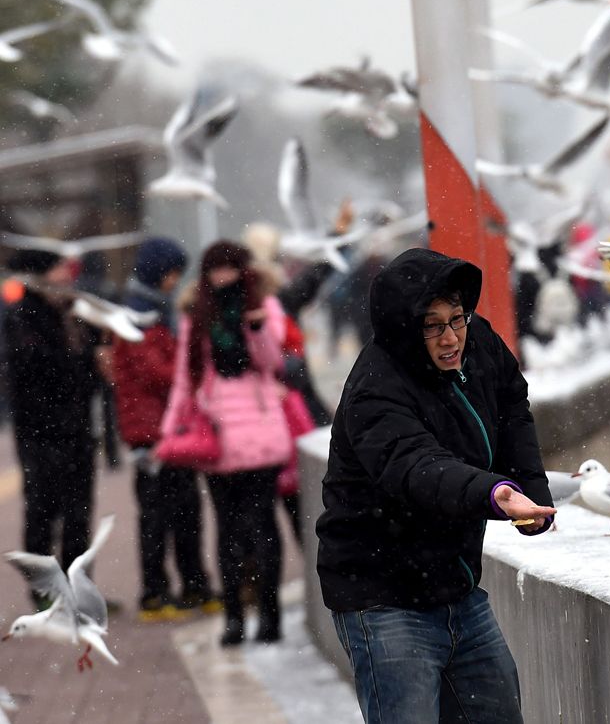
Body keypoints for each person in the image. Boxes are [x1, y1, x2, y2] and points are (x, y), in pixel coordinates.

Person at [317, 247, 557, 724]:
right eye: (432, 325)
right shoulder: (375, 389)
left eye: (457, 319)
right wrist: (495, 494)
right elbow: (419, 469)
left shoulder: (478, 344)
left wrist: (531, 488)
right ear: (406, 328)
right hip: (383, 600)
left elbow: (512, 406)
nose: (450, 338)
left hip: (457, 590)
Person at [161, 241, 293, 645]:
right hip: (217, 436)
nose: (222, 277)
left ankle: (269, 617)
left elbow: (274, 363)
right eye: (214, 269)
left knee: (263, 529)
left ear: (243, 270)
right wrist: (171, 429)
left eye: (228, 268)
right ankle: (235, 617)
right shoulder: (196, 315)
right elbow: (186, 376)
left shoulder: (264, 306)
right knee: (228, 531)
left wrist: (255, 329)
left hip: (260, 432)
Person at [112, 237, 218, 621]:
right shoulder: (136, 317)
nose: (176, 280)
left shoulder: (159, 312)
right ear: (159, 272)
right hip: (150, 436)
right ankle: (154, 594)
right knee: (156, 518)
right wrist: (191, 365)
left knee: (187, 512)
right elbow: (156, 374)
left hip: (173, 431)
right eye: (173, 272)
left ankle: (194, 585)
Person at [2, 249, 100, 609]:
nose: (67, 277)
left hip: (76, 430)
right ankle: (43, 591)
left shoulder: (71, 314)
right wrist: (75, 360)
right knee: (43, 512)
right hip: (40, 433)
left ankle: (79, 591)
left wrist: (90, 360)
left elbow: (86, 374)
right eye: (60, 270)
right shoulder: (23, 316)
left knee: (79, 514)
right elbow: (31, 371)